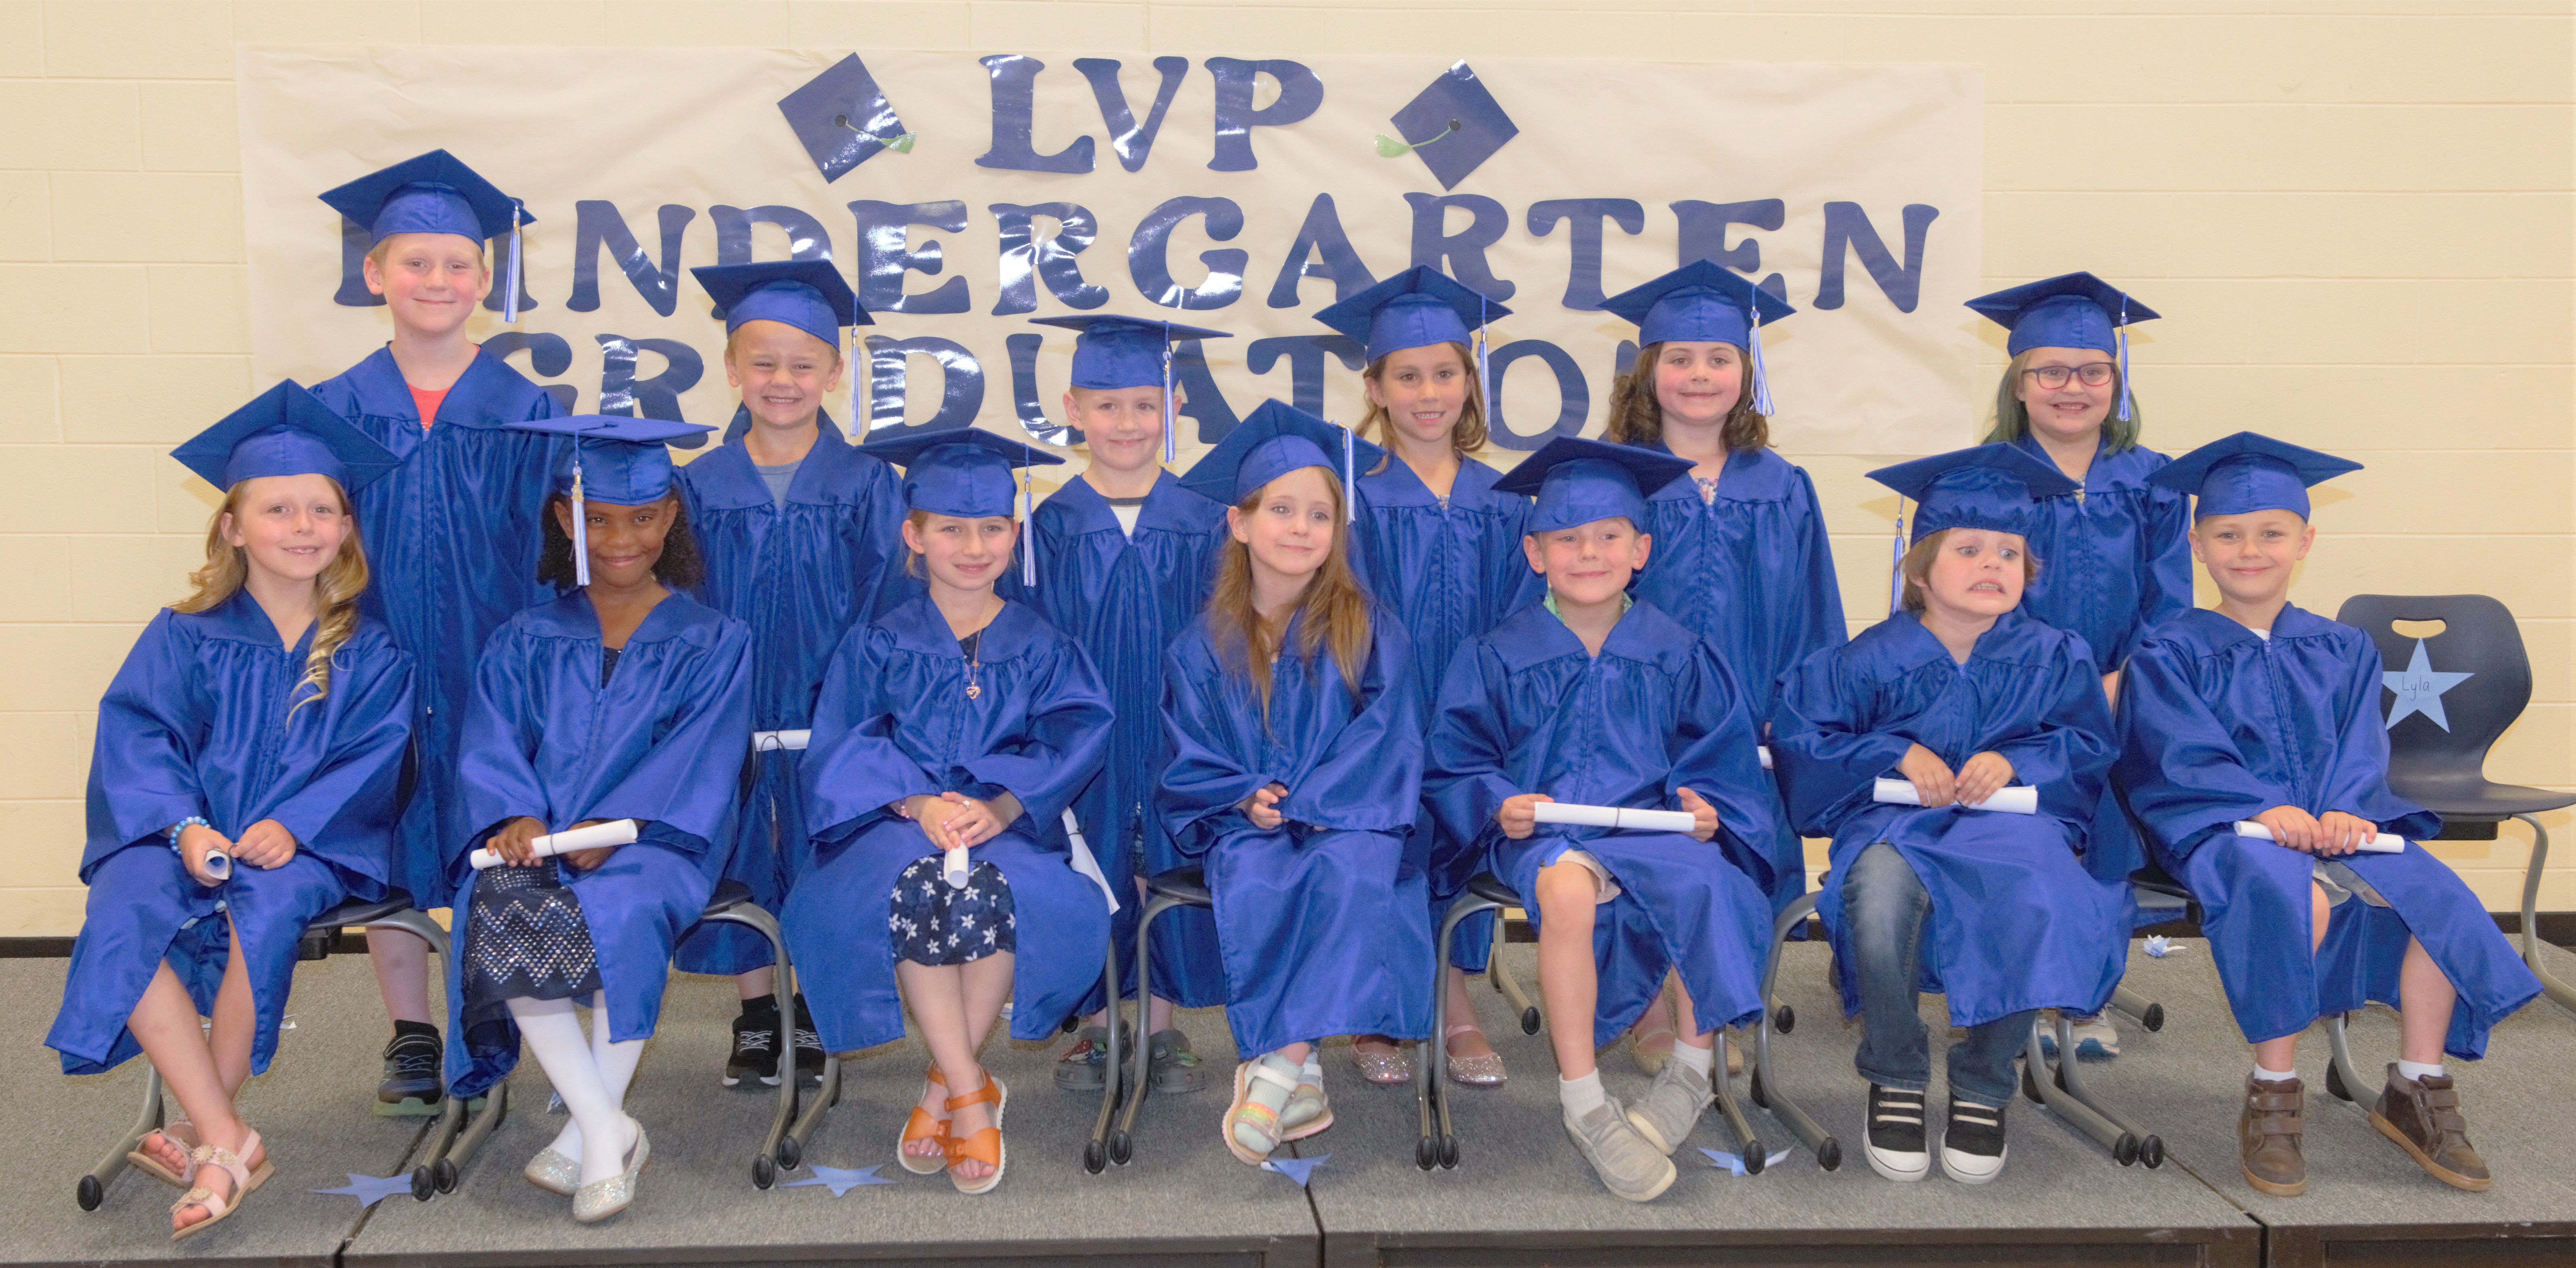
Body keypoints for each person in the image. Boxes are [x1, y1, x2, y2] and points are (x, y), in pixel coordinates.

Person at [2115, 432, 2541, 1197]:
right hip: (2221, 829)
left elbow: (2360, 745)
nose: (2250, 550)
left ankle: (2417, 1083)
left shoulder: (2343, 646)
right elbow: (2175, 753)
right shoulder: (2167, 648)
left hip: (2338, 819)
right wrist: (2260, 807)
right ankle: (2272, 1089)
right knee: (2292, 894)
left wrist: (2347, 806)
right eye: (2228, 535)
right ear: (2198, 546)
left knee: (2437, 901)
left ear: (2305, 541)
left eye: (2271, 533)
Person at [48, 384, 414, 1239]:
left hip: (304, 844)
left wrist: (299, 823)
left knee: (270, 901)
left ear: (346, 527)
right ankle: (225, 1133)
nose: (302, 524)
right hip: (178, 830)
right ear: (232, 526)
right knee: (125, 900)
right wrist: (183, 826)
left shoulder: (368, 648)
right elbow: (140, 738)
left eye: (323, 508)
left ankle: (200, 1130)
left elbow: (377, 754)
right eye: (277, 507)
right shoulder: (184, 632)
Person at [1423, 437, 1780, 1201]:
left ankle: (1689, 1073)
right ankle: (1583, 1100)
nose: (1589, 552)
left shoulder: (1677, 650)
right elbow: (1453, 757)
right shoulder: (1496, 651)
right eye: (1567, 539)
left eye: (1609, 536)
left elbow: (1715, 752)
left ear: (1641, 549)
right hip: (1549, 835)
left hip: (1648, 828)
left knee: (1710, 884)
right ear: (1535, 552)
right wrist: (1498, 802)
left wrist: (1704, 803)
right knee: (1566, 892)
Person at [1772, 445, 2128, 1186]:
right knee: (1873, 899)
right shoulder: (1865, 658)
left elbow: (2089, 743)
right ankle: (1896, 1071)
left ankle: (1984, 1081)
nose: (1990, 564)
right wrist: (1892, 751)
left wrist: (2020, 760)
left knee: (2036, 895)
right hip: (1895, 826)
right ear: (1919, 565)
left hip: (2016, 825)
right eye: (1967, 549)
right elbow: (1809, 744)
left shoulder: (2056, 655)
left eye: (2008, 551)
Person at [785, 427, 1116, 1196]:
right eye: (952, 529)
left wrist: (1001, 805)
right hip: (890, 825)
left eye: (992, 528)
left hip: (1008, 827)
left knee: (1001, 891)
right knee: (915, 886)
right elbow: (843, 738)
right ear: (915, 535)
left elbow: (1075, 730)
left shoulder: (1042, 642)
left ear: (1014, 535)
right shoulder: (878, 640)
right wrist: (914, 799)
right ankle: (970, 1090)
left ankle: (945, 1088)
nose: (974, 546)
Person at [447, 415, 752, 1223]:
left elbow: (704, 754)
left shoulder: (714, 638)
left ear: (672, 517)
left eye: (643, 516)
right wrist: (512, 811)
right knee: (503, 903)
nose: (622, 537)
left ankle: (593, 1128)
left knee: (624, 909)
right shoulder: (526, 635)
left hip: (658, 837)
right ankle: (602, 1124)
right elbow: (492, 735)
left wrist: (621, 821)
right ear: (563, 519)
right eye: (598, 518)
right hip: (540, 832)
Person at [310, 150, 567, 1111]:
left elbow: (552, 553)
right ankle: (413, 1033)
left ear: (484, 280)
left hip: (494, 660)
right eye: (414, 263)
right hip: (375, 661)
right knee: (391, 843)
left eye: (457, 265)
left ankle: (500, 1014)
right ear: (373, 273)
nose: (437, 282)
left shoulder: (524, 409)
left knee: (499, 836)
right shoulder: (335, 410)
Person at [1160, 400, 1435, 1165]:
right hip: (1247, 821)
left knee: (1346, 868)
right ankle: (1297, 1072)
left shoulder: (1368, 625)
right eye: (1281, 509)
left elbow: (1391, 730)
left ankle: (1278, 1068)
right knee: (1254, 871)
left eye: (1320, 513)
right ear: (1239, 524)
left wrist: (1316, 802)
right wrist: (1242, 793)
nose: (1301, 527)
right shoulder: (1200, 644)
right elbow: (1189, 750)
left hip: (1354, 818)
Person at [1595, 261, 1835, 1071]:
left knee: (1736, 847)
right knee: (1646, 847)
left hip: (1747, 720)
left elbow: (1812, 614)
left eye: (1718, 358)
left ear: (1747, 371)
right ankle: (1648, 1004)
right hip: (1635, 718)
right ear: (1647, 372)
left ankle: (1718, 997)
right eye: (1679, 358)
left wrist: (1795, 709)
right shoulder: (1609, 479)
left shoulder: (1783, 487)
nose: (1699, 375)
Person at [673, 259, 907, 1088]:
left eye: (803, 364)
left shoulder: (871, 484)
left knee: (820, 854)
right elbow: (683, 607)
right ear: (731, 369)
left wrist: (862, 710)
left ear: (835, 374)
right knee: (738, 849)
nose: (782, 380)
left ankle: (809, 1006)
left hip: (831, 714)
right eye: (762, 363)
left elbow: (888, 606)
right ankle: (757, 1010)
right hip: (730, 716)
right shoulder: (695, 487)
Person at [1312, 266, 1536, 1088]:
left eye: (1445, 372)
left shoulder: (1509, 501)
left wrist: (1485, 706)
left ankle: (1453, 1003)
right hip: (1380, 717)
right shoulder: (1352, 502)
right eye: (1406, 376)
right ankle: (1384, 1008)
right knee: (1392, 852)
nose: (1427, 391)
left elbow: (1520, 616)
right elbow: (1341, 616)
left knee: (1460, 848)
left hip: (1474, 718)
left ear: (1469, 380)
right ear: (1373, 386)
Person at [1967, 273, 2191, 1060]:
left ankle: (2086, 993)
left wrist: (2122, 680)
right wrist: (2054, 689)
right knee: (2024, 837)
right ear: (2018, 384)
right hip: (2016, 699)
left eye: (2090, 370)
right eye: (2049, 372)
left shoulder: (2156, 481)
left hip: (2125, 695)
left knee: (2103, 845)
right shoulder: (1990, 480)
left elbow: (2171, 600)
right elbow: (1983, 596)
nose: (2071, 387)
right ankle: (2021, 986)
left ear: (2115, 379)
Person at [1009, 314, 1234, 1098]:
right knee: (1091, 867)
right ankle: (1101, 1025)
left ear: (1171, 405)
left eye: (1144, 404)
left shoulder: (1207, 518)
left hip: (1177, 734)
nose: (1126, 423)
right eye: (1106, 406)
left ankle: (1163, 1028)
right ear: (1072, 410)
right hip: (1085, 740)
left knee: (1166, 867)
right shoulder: (1049, 527)